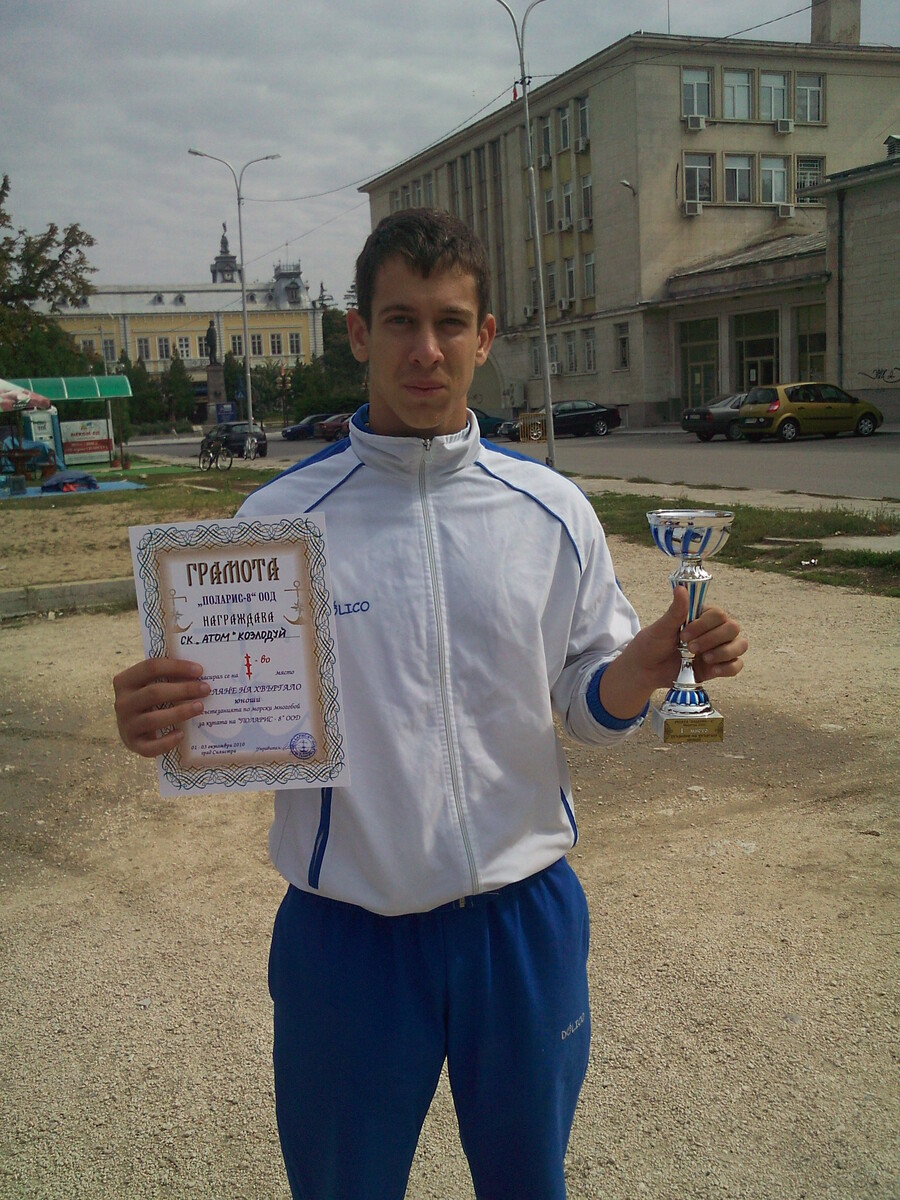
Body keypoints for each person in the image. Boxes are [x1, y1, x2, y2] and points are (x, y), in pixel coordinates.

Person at [114, 208, 747, 1200]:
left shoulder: (552, 510)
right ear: (358, 333)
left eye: (450, 322)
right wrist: (163, 717)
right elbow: (222, 704)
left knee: (528, 1185)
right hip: (348, 939)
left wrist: (651, 659)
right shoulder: (274, 523)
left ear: (484, 337)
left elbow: (588, 706)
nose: (426, 349)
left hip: (522, 923)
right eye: (399, 320)